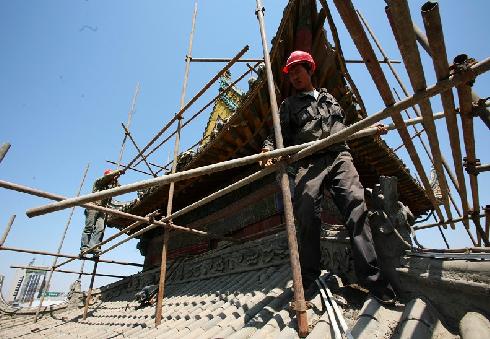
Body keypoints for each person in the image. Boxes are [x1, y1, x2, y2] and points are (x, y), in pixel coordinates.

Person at [261, 50, 396, 304]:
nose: (294, 78)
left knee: (356, 206)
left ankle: (373, 282)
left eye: (297, 71)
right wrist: (268, 150)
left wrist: (370, 129)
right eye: (290, 75)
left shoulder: (329, 98)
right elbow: (277, 135)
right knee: (306, 208)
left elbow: (344, 129)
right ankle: (309, 280)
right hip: (309, 160)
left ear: (309, 70)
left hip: (339, 156)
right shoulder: (289, 105)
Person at [79, 169, 122, 256]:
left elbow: (119, 188)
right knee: (89, 227)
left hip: (102, 209)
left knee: (100, 228)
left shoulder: (110, 187)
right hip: (93, 206)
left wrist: (116, 179)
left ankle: (94, 247)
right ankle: (84, 248)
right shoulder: (98, 183)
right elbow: (106, 178)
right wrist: (117, 172)